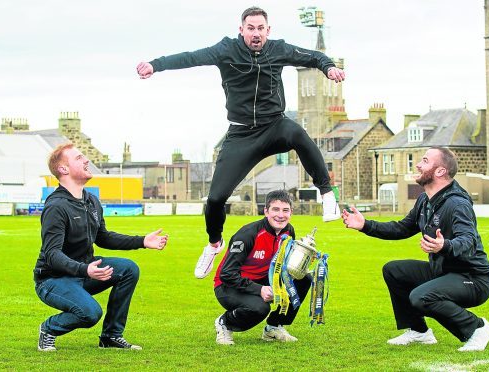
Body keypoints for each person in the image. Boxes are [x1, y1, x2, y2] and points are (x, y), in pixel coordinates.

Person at [136, 6, 344, 279]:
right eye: (251, 28)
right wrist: (155, 65)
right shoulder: (226, 50)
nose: (256, 34)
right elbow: (190, 58)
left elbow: (313, 56)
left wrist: (328, 68)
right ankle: (213, 244)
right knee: (215, 199)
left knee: (298, 134)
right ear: (241, 29)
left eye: (261, 29)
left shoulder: (278, 49)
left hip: (274, 125)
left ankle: (327, 194)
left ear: (268, 31)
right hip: (241, 134)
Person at [342, 147, 489, 352]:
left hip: (473, 278)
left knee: (421, 297)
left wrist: (444, 245)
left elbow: (468, 240)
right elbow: (402, 228)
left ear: (440, 171)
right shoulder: (425, 200)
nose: (418, 164)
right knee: (394, 270)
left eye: (424, 160)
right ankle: (419, 332)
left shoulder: (457, 203)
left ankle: (478, 328)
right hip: (443, 272)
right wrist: (365, 225)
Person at [34, 143, 169, 351]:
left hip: (84, 272)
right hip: (53, 280)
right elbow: (52, 254)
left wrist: (142, 241)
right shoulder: (57, 206)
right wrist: (84, 269)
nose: (86, 160)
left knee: (128, 269)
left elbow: (103, 238)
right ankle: (48, 328)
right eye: (79, 158)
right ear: (64, 169)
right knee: (90, 313)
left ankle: (111, 337)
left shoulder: (91, 200)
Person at [212, 190, 311, 345]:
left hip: (263, 278)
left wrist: (301, 257)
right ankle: (224, 322)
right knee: (260, 308)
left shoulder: (288, 231)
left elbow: (283, 263)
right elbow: (227, 274)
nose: (280, 215)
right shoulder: (247, 234)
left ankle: (274, 327)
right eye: (275, 210)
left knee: (303, 279)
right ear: (266, 211)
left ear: (291, 212)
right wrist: (259, 290)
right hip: (228, 286)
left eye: (285, 210)